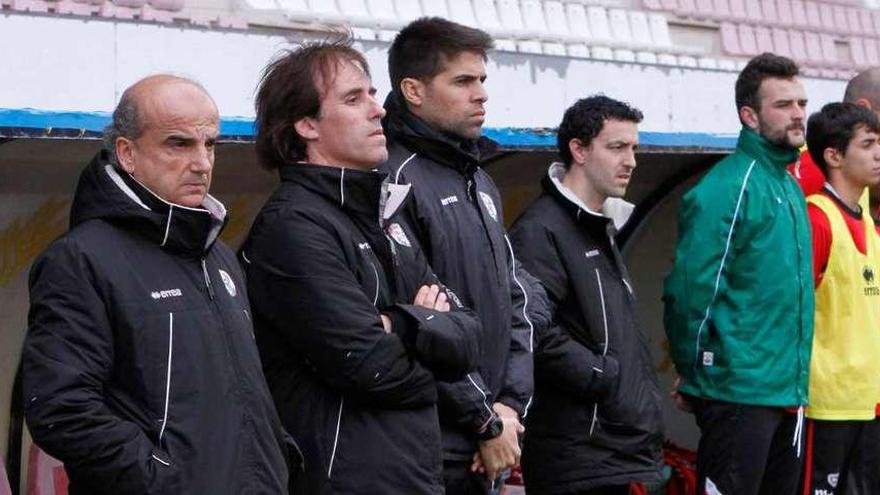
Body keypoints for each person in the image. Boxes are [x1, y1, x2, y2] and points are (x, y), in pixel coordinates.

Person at [21, 75, 290, 494]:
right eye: (178, 144)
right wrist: (166, 479)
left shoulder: (216, 255)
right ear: (127, 153)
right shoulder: (82, 259)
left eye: (210, 144)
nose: (202, 163)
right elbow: (61, 408)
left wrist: (278, 456)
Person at [241, 40, 481, 494]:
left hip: (411, 476)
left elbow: (471, 336)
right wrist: (429, 329)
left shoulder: (382, 214)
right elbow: (372, 367)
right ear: (307, 124)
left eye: (372, 94)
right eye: (354, 99)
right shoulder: (293, 228)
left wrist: (400, 323)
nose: (378, 110)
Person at [381, 17, 549, 494]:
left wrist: (509, 410)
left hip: (493, 437)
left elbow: (514, 300)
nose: (481, 94)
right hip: (433, 446)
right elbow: (423, 319)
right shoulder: (395, 181)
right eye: (462, 81)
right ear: (413, 89)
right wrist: (483, 421)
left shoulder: (479, 179)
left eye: (482, 80)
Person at [663, 52, 814, 495]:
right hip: (740, 392)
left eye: (801, 103)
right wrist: (696, 374)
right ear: (749, 116)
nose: (798, 114)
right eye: (783, 105)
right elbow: (691, 293)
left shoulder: (787, 185)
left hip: (789, 392)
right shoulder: (728, 187)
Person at [509, 95, 663, 495]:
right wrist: (601, 376)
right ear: (578, 149)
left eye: (633, 148)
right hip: (577, 453)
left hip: (609, 450)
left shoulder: (597, 224)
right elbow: (531, 328)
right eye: (616, 147)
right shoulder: (541, 230)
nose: (630, 160)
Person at [799, 102, 880, 495]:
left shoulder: (865, 219)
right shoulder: (817, 219)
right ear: (833, 155)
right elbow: (792, 310)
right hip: (827, 403)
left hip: (868, 399)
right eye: (867, 144)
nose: (878, 153)